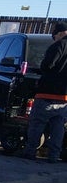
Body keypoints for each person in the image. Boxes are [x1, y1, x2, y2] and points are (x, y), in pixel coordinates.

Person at [22, 21, 67, 163]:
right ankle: (53, 155)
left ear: (60, 33)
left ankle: (30, 151)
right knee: (58, 127)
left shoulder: (58, 45)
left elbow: (47, 65)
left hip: (47, 92)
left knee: (37, 123)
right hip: (64, 97)